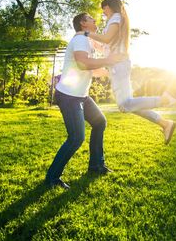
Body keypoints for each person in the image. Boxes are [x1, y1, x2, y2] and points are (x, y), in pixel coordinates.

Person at [81, 0, 176, 145]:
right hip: (118, 65)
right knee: (131, 104)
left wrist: (85, 33)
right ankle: (165, 123)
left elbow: (106, 39)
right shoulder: (115, 19)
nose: (103, 12)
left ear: (109, 7)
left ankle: (165, 99)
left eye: (103, 9)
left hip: (119, 65)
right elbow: (106, 45)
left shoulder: (116, 17)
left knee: (125, 105)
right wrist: (93, 41)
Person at [45, 13, 125, 190]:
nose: (95, 20)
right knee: (76, 138)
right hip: (68, 96)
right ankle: (52, 177)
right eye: (91, 19)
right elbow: (83, 64)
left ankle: (96, 165)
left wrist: (109, 72)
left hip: (81, 95)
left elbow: (89, 69)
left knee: (100, 122)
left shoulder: (86, 41)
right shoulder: (80, 40)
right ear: (83, 23)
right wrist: (109, 60)